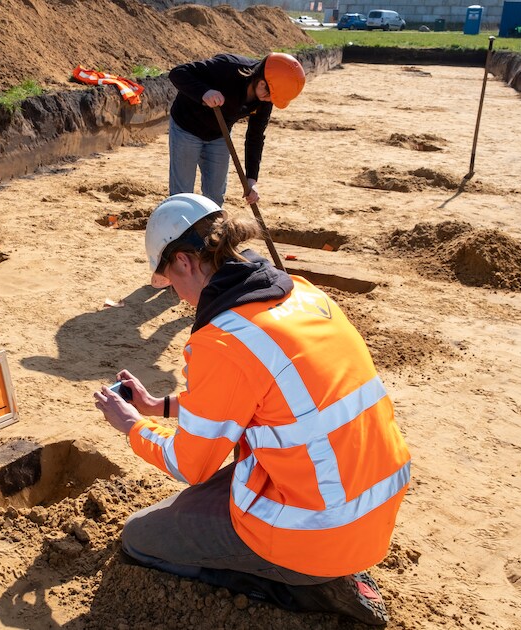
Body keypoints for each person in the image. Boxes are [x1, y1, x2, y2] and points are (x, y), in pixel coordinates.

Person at [93, 193, 411, 626]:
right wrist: (160, 406)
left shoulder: (224, 339)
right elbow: (259, 402)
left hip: (318, 529)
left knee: (140, 536)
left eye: (170, 281)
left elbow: (191, 465)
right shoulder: (301, 294)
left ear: (185, 262)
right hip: (367, 507)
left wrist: (133, 425)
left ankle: (307, 584)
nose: (179, 296)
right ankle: (318, 566)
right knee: (198, 499)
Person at [166, 52, 305, 208]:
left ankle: (210, 230)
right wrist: (204, 93)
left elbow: (256, 136)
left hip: (219, 135)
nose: (270, 101)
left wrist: (251, 179)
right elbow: (178, 73)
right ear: (262, 84)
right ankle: (179, 230)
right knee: (182, 194)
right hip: (187, 128)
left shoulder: (265, 98)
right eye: (271, 97)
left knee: (215, 197)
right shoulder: (228, 68)